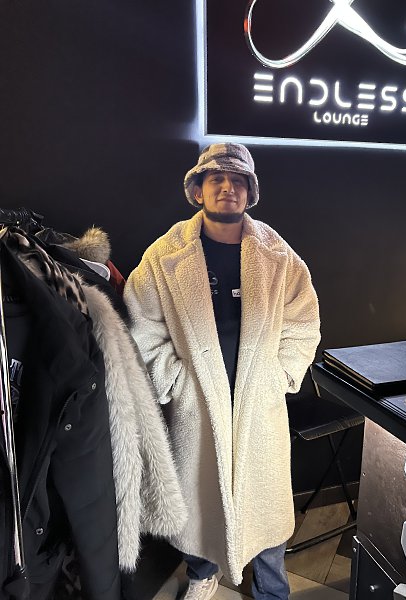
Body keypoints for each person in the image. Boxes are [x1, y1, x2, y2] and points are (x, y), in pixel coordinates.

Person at [124, 143, 321, 600]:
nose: (227, 188)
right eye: (217, 179)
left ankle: (271, 588)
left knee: (266, 502)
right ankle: (202, 573)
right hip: (197, 401)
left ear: (250, 192)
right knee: (199, 499)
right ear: (198, 190)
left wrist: (280, 376)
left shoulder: (277, 255)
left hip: (257, 401)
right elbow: (141, 325)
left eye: (238, 181)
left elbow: (303, 322)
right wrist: (175, 380)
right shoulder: (165, 256)